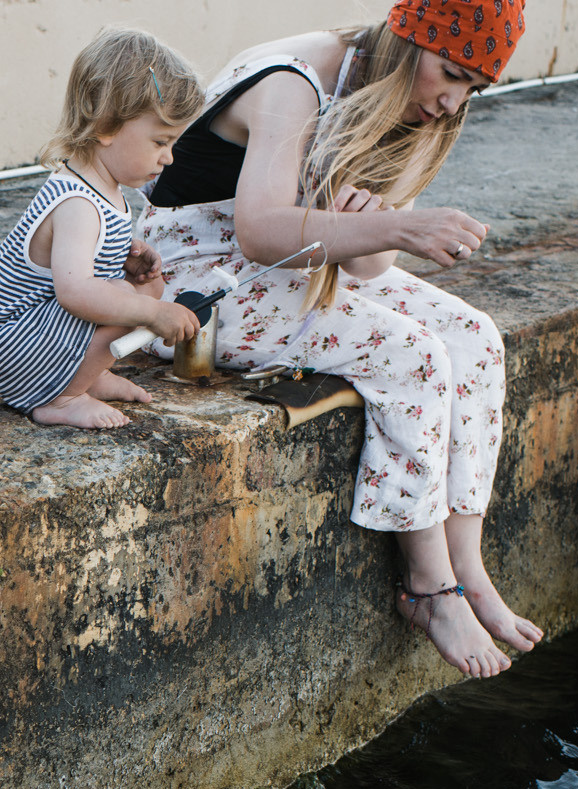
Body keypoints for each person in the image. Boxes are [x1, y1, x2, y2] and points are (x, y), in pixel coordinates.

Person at [144, 0, 540, 678]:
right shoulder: (293, 81)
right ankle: (429, 588)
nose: (453, 102)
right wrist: (393, 227)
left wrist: (375, 228)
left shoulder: (393, 97)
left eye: (472, 87)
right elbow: (260, 230)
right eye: (451, 74)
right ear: (411, 41)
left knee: (473, 337)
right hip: (191, 279)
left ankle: (468, 568)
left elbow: (366, 265)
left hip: (286, 267)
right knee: (411, 355)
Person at [0, 29, 207, 429]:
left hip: (38, 337)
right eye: (160, 142)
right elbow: (76, 292)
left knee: (144, 288)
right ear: (106, 125)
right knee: (129, 301)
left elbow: (84, 263)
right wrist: (153, 313)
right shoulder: (78, 203)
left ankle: (86, 375)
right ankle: (61, 398)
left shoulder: (102, 188)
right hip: (14, 344)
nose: (168, 158)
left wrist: (127, 259)